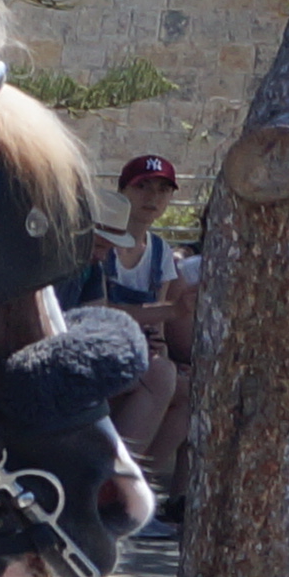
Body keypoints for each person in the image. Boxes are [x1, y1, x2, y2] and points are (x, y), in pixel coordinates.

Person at [75, 151, 198, 509]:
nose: (153, 197)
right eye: (143, 186)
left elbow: (156, 323)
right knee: (159, 376)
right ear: (123, 191)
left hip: (134, 350)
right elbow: (98, 312)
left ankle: (139, 494)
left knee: (187, 391)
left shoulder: (159, 252)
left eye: (163, 190)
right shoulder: (94, 250)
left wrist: (162, 342)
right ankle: (107, 491)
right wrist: (167, 314)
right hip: (100, 348)